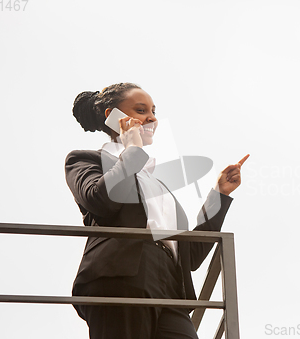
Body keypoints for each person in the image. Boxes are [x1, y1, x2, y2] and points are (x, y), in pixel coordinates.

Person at [65, 82, 249, 339]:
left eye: (153, 110)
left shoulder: (157, 183)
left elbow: (191, 254)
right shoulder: (85, 160)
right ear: (113, 116)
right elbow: (101, 201)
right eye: (141, 110)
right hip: (121, 276)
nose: (152, 118)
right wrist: (132, 150)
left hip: (171, 287)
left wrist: (218, 194)